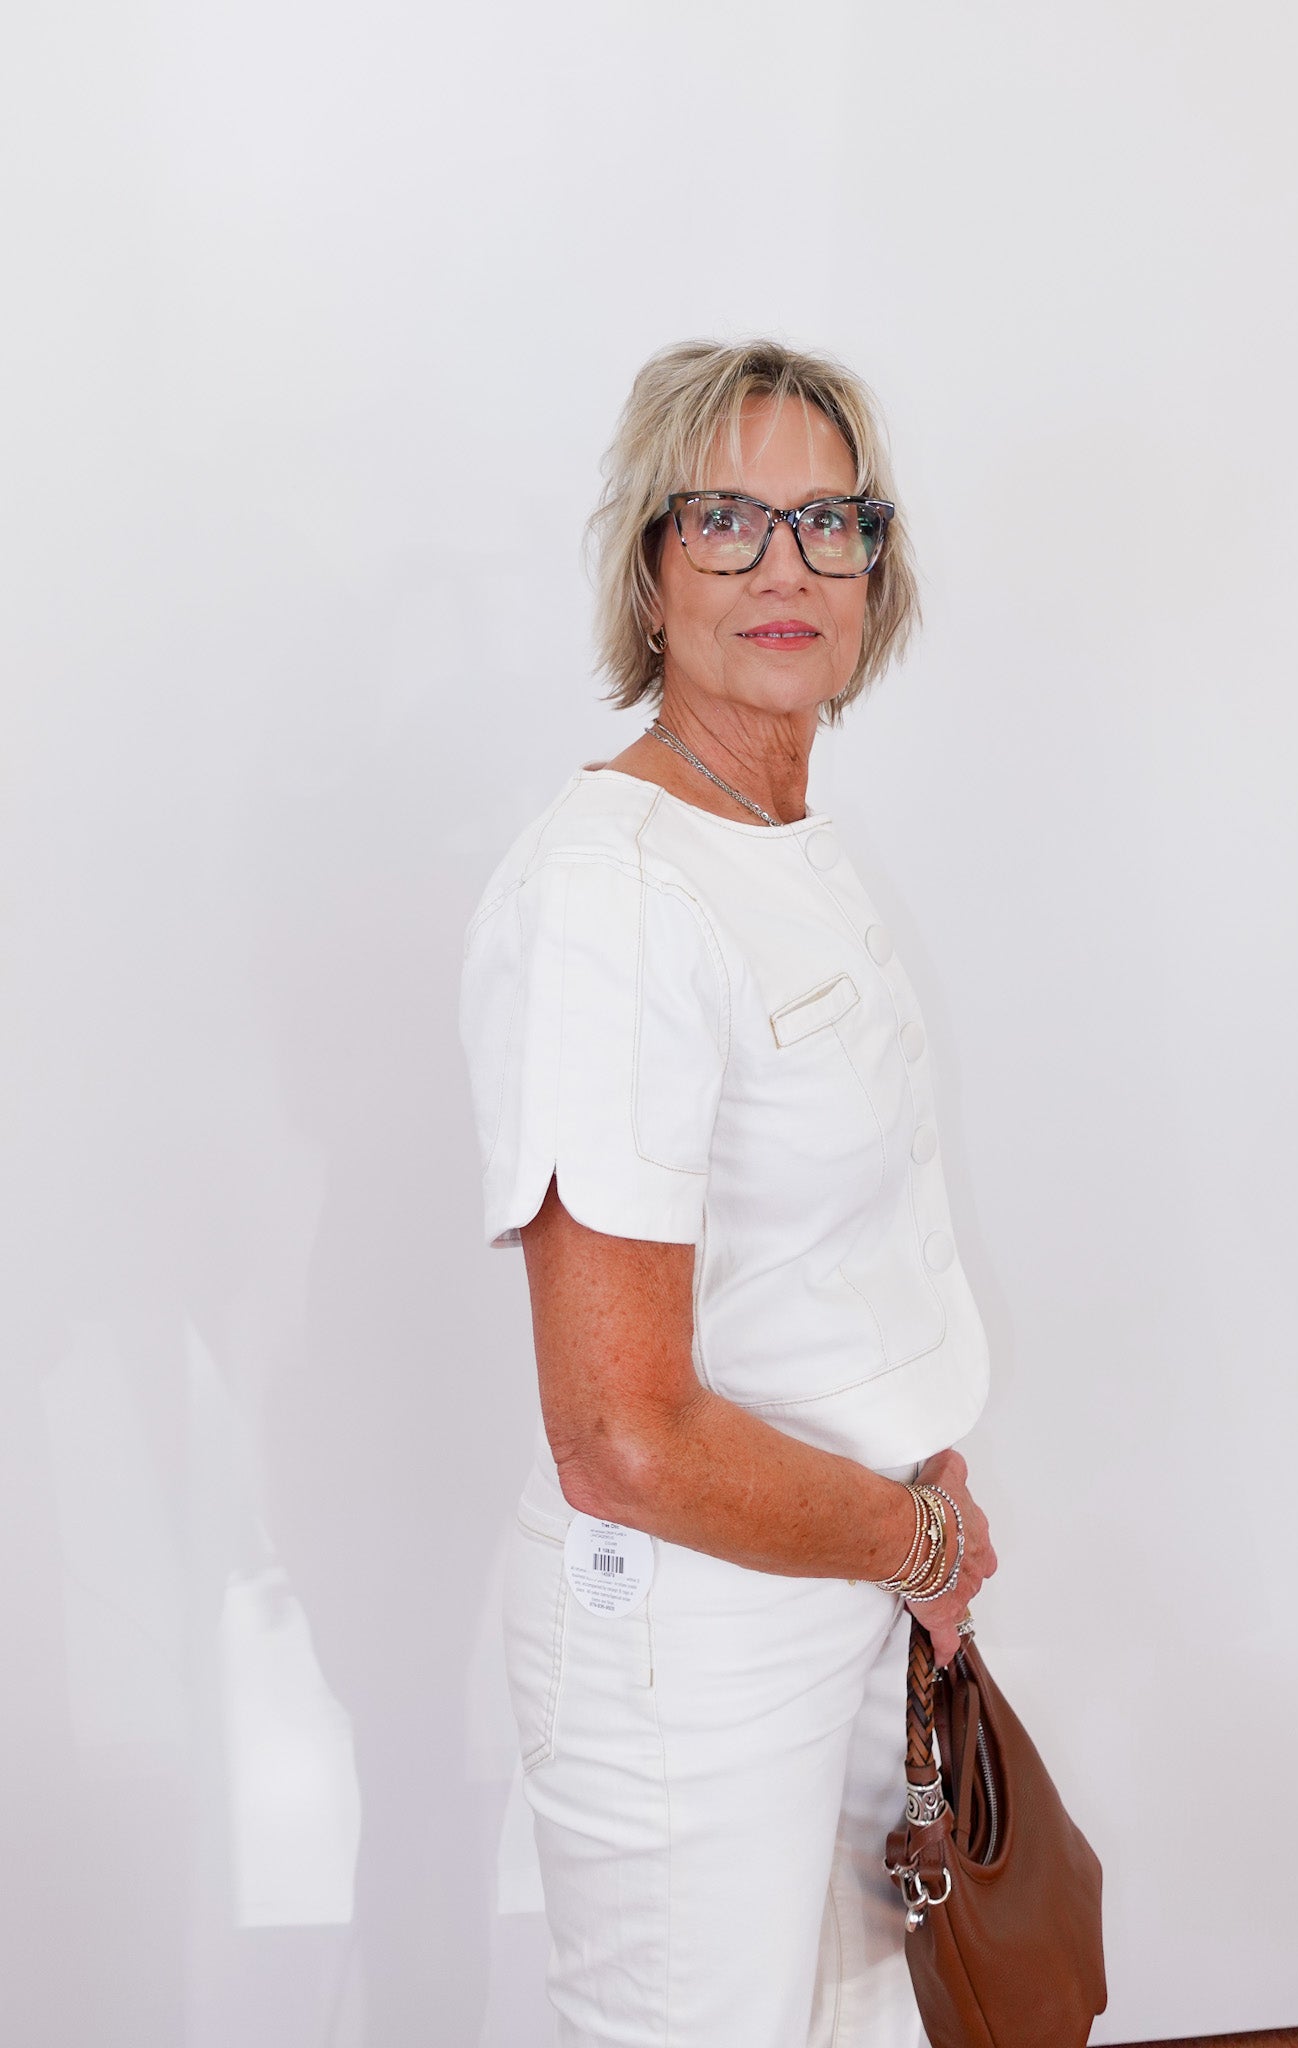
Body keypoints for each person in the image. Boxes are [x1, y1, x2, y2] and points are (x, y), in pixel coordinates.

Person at [458, 337, 997, 2048]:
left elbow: (825, 1257)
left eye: (830, 521)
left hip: (840, 1588)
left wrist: (911, 1473)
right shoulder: (611, 895)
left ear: (874, 572)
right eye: (726, 519)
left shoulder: (775, 839)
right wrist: (919, 1538)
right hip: (689, 1652)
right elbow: (620, 1435)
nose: (785, 566)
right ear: (649, 571)